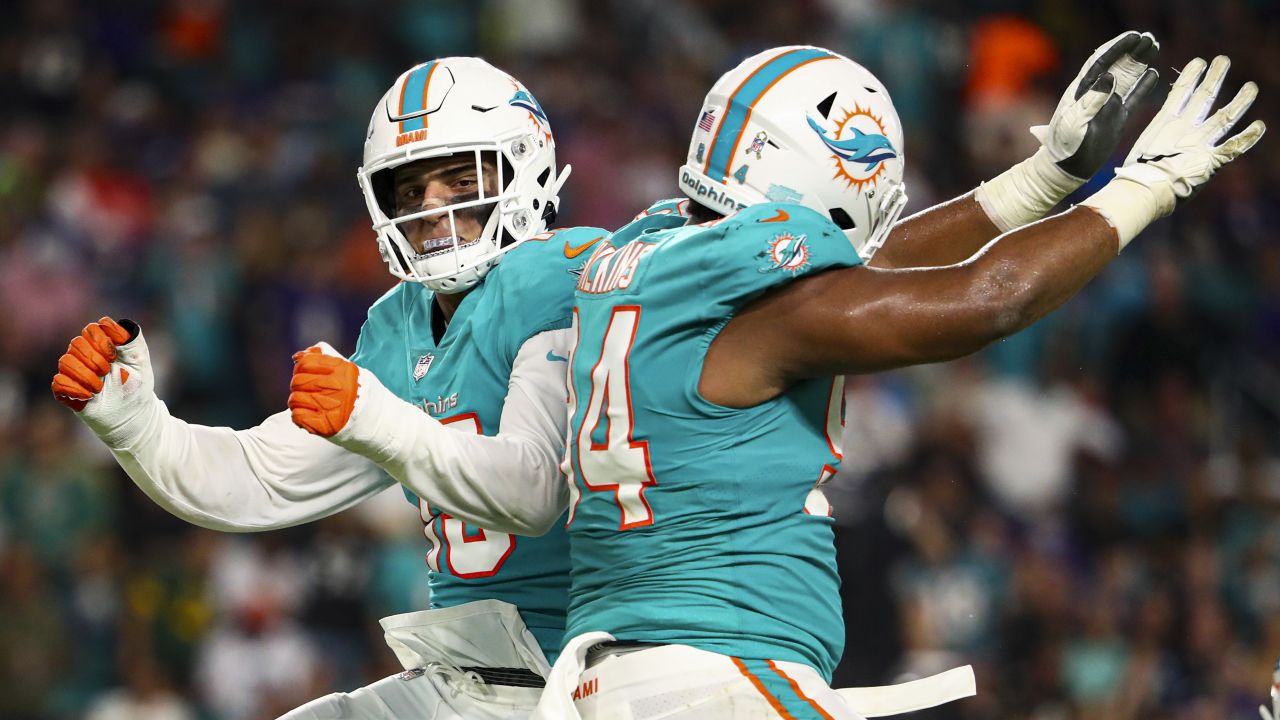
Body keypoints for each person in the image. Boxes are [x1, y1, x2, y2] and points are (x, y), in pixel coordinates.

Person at [55, 33, 1167, 720]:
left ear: (528, 167)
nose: (435, 210)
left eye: (458, 178)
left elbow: (534, 482)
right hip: (487, 680)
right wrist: (133, 420)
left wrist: (1034, 185)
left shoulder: (575, 273)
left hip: (573, 671)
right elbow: (250, 481)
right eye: (410, 189)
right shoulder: (400, 322)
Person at [530, 47, 1261, 719]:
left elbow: (867, 268)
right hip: (721, 669)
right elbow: (987, 299)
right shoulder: (768, 309)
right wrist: (1149, 184)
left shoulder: (646, 250)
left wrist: (1043, 180)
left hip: (618, 676)